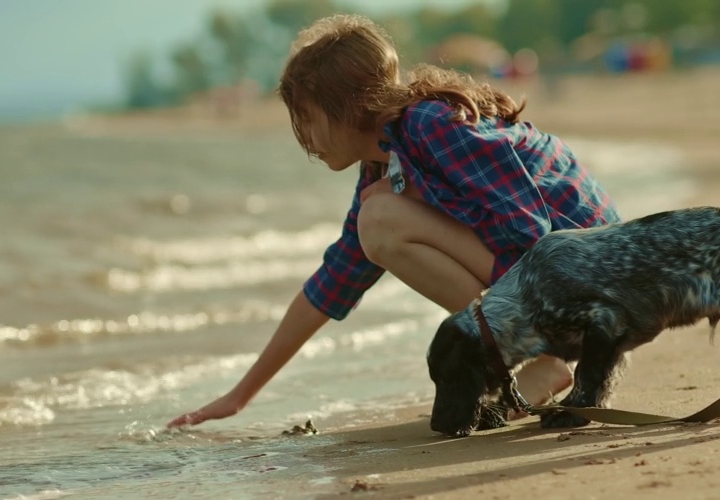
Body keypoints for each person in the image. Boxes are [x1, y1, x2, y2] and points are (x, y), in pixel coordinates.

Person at [168, 14, 621, 429]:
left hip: (596, 283)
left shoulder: (432, 125)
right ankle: (534, 353)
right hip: (571, 289)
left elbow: (529, 230)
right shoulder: (383, 167)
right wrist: (238, 397)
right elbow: (333, 283)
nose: (304, 136)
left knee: (380, 215)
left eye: (307, 118)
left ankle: (538, 355)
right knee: (377, 215)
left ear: (346, 108)